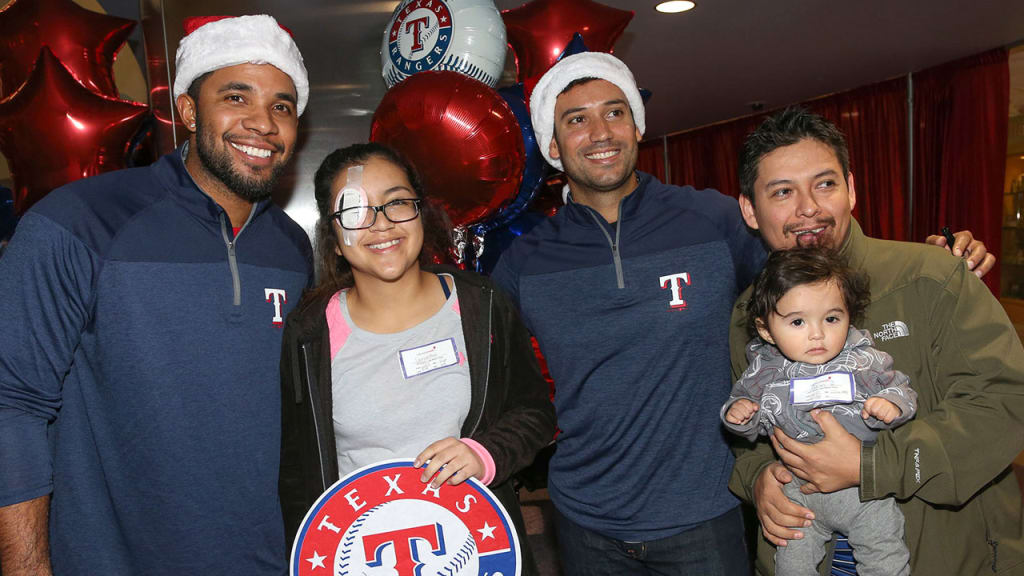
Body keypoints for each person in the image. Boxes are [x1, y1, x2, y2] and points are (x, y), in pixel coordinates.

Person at [0, 15, 312, 575]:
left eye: (282, 106)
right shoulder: (78, 223)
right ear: (189, 111)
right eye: (236, 96)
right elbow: (12, 405)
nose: (262, 123)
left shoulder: (291, 248)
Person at [492, 51, 764, 575]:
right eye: (577, 120)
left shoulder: (715, 221)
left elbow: (815, 281)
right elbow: (476, 364)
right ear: (552, 146)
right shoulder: (524, 263)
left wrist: (930, 262)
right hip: (584, 523)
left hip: (705, 517)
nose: (600, 132)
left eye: (615, 112)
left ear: (637, 126)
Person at [729, 106, 1024, 575]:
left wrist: (874, 465)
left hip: (945, 555)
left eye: (824, 184)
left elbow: (1004, 401)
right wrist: (760, 479)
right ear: (749, 209)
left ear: (851, 189)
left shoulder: (930, 276)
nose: (808, 207)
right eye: (783, 192)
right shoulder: (750, 313)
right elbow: (747, 435)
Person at [277, 142, 556, 574]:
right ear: (333, 239)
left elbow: (534, 410)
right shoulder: (309, 333)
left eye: (396, 203)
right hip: (363, 558)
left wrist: (486, 453)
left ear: (420, 212)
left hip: (480, 549)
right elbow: (297, 471)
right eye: (355, 212)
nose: (381, 224)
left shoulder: (481, 304)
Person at [722, 248, 915, 576]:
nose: (817, 334)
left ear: (848, 316)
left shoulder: (863, 359)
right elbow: (745, 417)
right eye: (797, 321)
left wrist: (893, 404)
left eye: (831, 318)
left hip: (863, 490)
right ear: (766, 330)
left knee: (884, 553)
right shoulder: (763, 371)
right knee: (791, 563)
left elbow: (902, 388)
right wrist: (738, 414)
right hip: (799, 492)